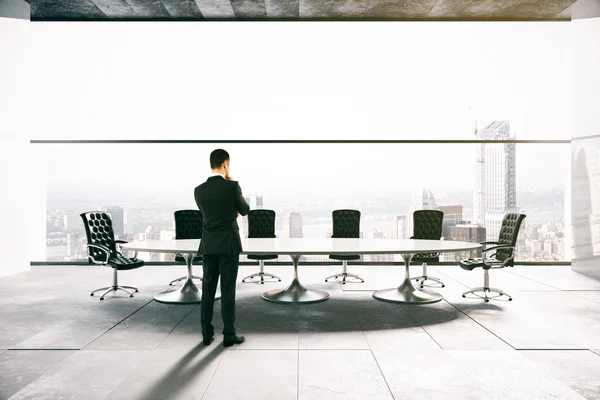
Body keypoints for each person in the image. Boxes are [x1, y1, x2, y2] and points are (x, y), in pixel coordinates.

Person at [194, 149, 250, 347]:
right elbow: (244, 210)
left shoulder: (198, 190)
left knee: (208, 290)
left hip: (208, 245)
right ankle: (229, 334)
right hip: (228, 244)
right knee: (227, 290)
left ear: (211, 164)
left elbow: (209, 215)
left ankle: (206, 334)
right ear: (225, 164)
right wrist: (234, 193)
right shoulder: (232, 186)